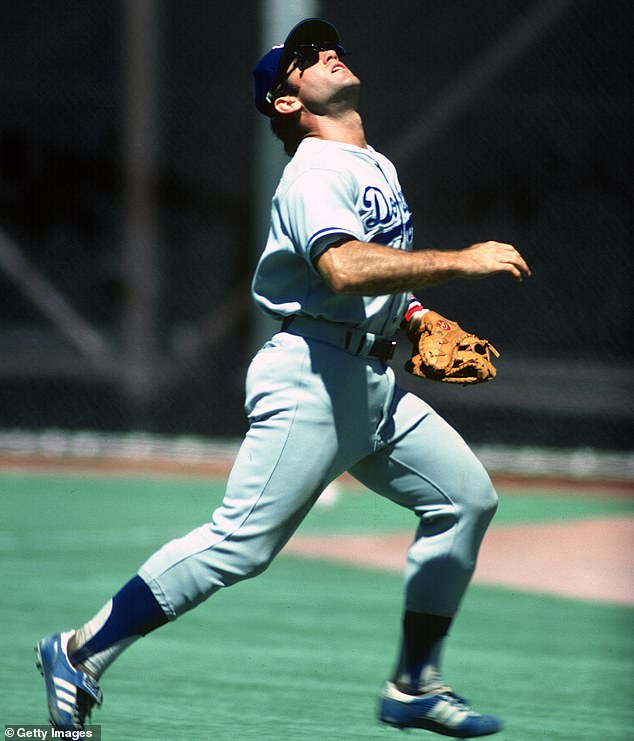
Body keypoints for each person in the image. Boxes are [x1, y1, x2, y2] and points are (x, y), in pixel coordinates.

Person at [35, 18, 530, 737]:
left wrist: (418, 316)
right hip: (313, 375)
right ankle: (77, 652)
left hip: (368, 377)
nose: (325, 52)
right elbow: (343, 266)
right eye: (302, 58)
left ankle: (415, 683)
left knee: (466, 500)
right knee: (240, 544)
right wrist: (463, 259)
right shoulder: (313, 173)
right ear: (285, 103)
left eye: (326, 45)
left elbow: (381, 267)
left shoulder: (375, 164)